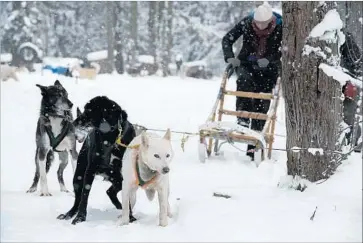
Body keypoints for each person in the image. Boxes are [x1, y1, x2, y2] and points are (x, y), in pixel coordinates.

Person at [221, 4, 282, 160]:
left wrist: (270, 60)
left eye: (263, 24)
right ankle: (242, 118)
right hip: (247, 64)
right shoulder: (247, 22)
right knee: (244, 82)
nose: (259, 26)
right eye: (257, 24)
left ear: (270, 21)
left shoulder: (281, 27)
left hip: (268, 70)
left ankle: (253, 145)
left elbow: (286, 49)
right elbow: (227, 38)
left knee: (262, 103)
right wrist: (230, 57)